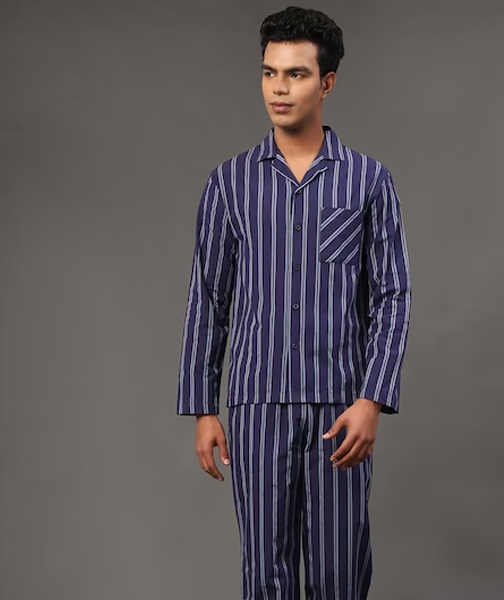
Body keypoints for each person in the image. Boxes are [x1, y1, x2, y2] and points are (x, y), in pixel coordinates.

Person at [176, 6, 411, 599]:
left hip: (340, 409)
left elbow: (392, 295)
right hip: (257, 406)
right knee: (265, 576)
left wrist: (372, 400)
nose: (278, 88)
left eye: (296, 74)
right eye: (269, 73)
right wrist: (203, 408)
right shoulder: (229, 184)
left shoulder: (369, 182)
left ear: (326, 83)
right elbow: (209, 297)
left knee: (339, 576)